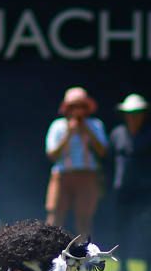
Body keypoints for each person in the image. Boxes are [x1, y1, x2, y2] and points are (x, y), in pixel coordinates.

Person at [107, 93, 151, 271]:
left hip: (146, 191)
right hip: (123, 190)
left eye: (137, 113)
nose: (133, 117)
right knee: (121, 228)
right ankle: (122, 267)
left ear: (143, 114)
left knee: (147, 228)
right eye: (130, 113)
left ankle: (148, 270)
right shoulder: (117, 134)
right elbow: (110, 161)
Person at [44, 86, 108, 244]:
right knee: (55, 216)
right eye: (74, 106)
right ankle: (48, 253)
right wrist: (68, 134)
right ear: (67, 108)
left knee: (84, 218)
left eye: (81, 106)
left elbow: (102, 151)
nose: (78, 110)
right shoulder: (58, 126)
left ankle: (84, 256)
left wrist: (86, 131)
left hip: (87, 174)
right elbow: (52, 154)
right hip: (62, 175)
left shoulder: (95, 125)